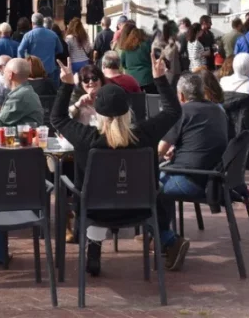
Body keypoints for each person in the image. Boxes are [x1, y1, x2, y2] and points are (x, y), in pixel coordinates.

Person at [52, 54, 186, 275]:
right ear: (128, 110)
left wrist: (66, 85)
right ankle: (162, 239)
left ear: (98, 113)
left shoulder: (86, 137)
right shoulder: (144, 134)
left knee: (92, 191)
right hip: (140, 208)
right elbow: (173, 111)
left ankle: (94, 249)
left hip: (94, 209)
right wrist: (159, 78)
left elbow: (57, 118)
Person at [157, 72, 229, 261]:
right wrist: (179, 150)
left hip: (192, 180)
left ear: (180, 96)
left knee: (149, 187)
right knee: (159, 181)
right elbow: (201, 140)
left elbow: (158, 150)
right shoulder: (218, 110)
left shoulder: (183, 112)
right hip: (215, 180)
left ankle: (168, 239)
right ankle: (156, 234)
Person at [17, 13, 64, 85]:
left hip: (34, 70)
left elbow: (20, 50)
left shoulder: (28, 35)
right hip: (50, 69)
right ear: (42, 22)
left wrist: (24, 63)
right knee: (52, 92)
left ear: (32, 23)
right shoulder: (53, 34)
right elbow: (60, 49)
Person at [120, 26, 156, 93]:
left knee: (135, 101)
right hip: (147, 78)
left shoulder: (126, 48)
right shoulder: (147, 45)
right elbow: (154, 59)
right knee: (152, 99)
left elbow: (122, 63)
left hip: (131, 79)